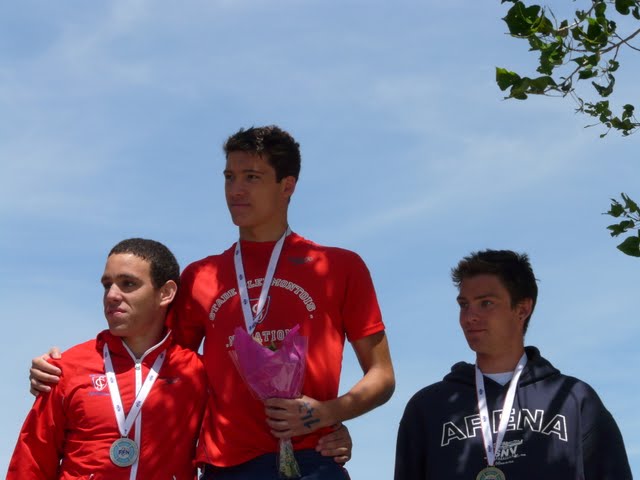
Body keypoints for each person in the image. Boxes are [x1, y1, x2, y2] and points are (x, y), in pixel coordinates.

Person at [31, 125, 394, 479]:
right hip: (225, 467)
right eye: (229, 177)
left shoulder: (339, 267)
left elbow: (382, 375)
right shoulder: (200, 275)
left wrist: (327, 414)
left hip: (313, 460)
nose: (236, 190)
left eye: (251, 177)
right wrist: (67, 369)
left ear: (287, 185)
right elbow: (155, 363)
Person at [394, 249, 632, 479]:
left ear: (522, 309)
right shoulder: (428, 407)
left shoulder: (575, 400)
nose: (469, 317)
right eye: (464, 304)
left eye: (486, 303)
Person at [9, 238, 209, 479]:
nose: (112, 295)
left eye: (128, 284)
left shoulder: (197, 373)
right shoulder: (66, 369)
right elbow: (31, 462)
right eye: (107, 285)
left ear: (166, 293)